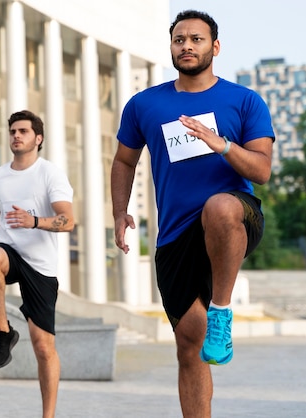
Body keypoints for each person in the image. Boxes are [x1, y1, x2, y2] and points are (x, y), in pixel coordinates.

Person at [111, 10, 274, 417]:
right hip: (174, 235)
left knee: (218, 205)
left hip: (235, 217)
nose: (187, 46)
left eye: (197, 39)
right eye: (179, 39)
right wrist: (119, 211)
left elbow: (263, 170)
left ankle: (221, 309)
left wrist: (221, 145)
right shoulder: (144, 104)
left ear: (214, 47)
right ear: (171, 47)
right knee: (189, 346)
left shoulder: (244, 101)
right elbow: (123, 161)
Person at [0, 110, 74, 418]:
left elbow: (69, 220)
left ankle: (48, 415)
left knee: (43, 348)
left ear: (38, 138)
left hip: (40, 265)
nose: (16, 136)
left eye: (23, 131)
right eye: (12, 132)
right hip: (9, 253)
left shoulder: (50, 174)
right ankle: (3, 333)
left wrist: (33, 221)